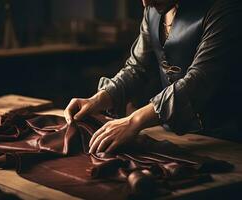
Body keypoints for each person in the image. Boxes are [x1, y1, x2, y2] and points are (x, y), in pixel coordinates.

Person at [64, 0, 242, 154]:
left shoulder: (224, 8)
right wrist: (99, 99)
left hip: (227, 139)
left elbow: (200, 80)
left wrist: (135, 120)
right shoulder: (153, 10)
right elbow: (137, 67)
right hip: (176, 137)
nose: (146, 3)